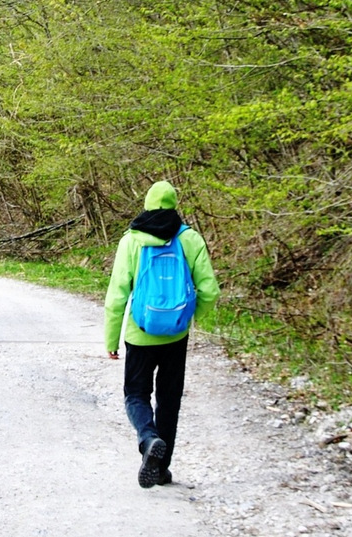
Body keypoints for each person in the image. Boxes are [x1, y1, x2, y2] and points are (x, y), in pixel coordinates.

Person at [104, 180, 219, 488]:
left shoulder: (132, 241)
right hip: (175, 337)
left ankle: (148, 438)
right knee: (169, 401)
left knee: (136, 395)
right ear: (174, 204)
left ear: (147, 204)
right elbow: (209, 290)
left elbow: (116, 295)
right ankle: (162, 468)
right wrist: (190, 319)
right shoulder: (190, 239)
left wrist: (111, 339)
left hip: (139, 333)